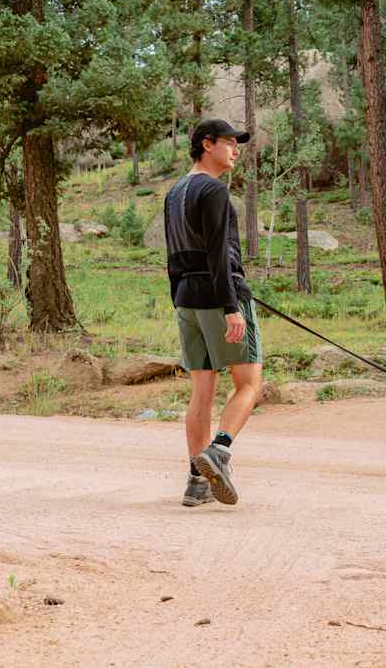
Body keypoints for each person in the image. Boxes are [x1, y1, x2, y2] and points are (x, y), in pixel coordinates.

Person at [164, 119, 264, 507]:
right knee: (250, 383)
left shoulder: (174, 193)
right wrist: (231, 306)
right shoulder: (215, 191)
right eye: (229, 143)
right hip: (220, 297)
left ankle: (196, 482)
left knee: (202, 390)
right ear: (207, 145)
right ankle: (218, 452)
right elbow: (219, 254)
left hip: (186, 297)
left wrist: (180, 298)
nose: (236, 150)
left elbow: (174, 256)